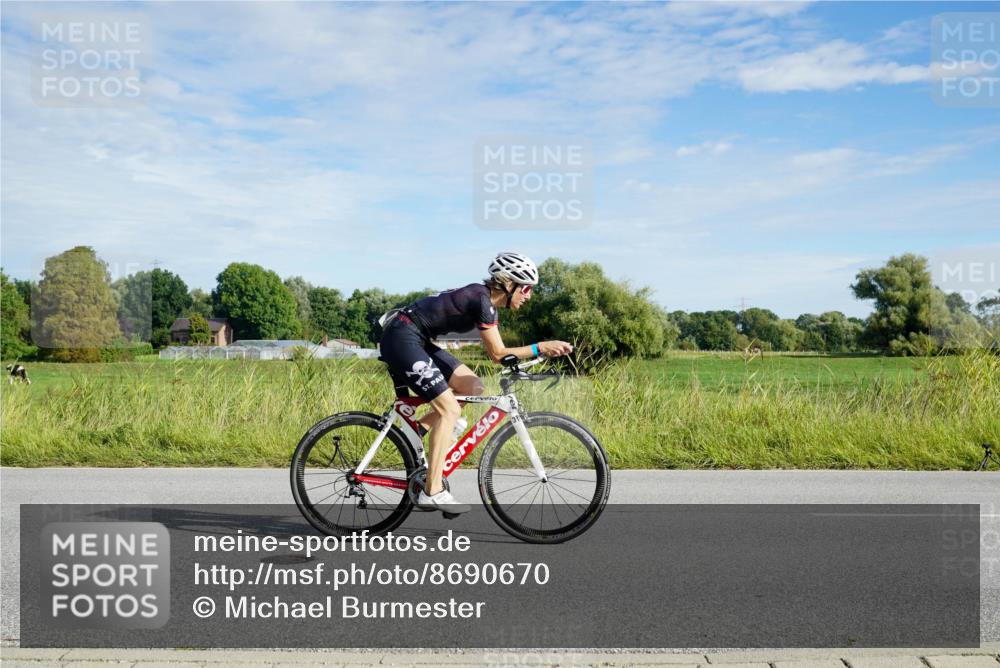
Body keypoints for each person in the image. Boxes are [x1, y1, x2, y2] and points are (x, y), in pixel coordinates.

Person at [378, 252, 573, 513]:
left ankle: (415, 432)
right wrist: (542, 347)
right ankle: (432, 491)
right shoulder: (482, 300)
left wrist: (529, 358)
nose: (529, 295)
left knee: (472, 387)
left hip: (416, 338)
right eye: (525, 288)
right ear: (508, 284)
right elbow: (498, 354)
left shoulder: (486, 303)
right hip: (401, 337)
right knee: (450, 410)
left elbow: (500, 355)